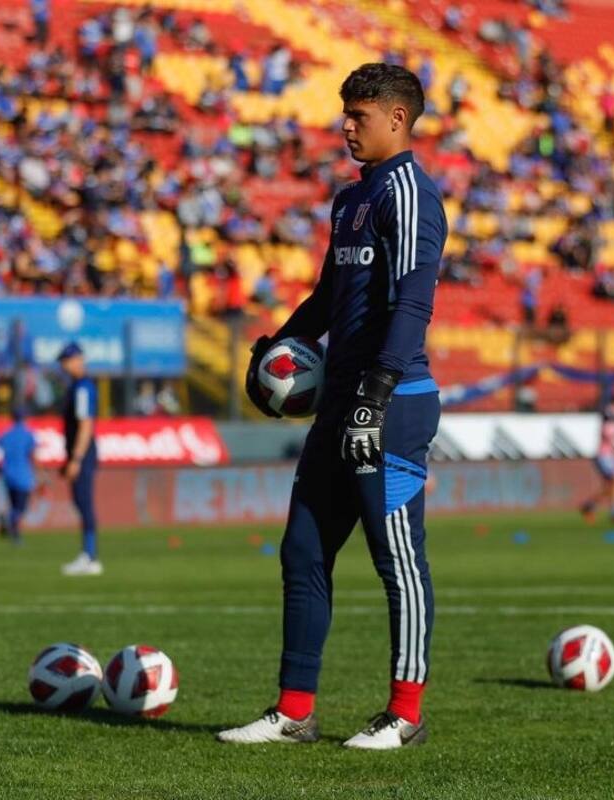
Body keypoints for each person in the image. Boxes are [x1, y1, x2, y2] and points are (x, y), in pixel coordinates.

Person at [218, 63, 446, 750]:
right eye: (345, 112)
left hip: (393, 404)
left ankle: (405, 714)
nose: (346, 125)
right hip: (339, 404)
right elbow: (327, 296)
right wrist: (281, 345)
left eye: (361, 114)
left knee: (395, 560)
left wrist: (377, 392)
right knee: (303, 551)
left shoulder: (409, 195)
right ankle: (294, 711)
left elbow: (412, 303)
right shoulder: (351, 200)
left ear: (398, 120)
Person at [57, 342, 102, 576]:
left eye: (67, 361)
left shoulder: (83, 388)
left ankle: (90, 556)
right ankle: (88, 554)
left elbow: (86, 424)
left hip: (82, 454)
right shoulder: (77, 386)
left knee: (84, 503)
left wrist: (76, 458)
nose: (64, 367)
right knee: (80, 502)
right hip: (78, 454)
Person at [0, 407, 36, 545]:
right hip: (23, 475)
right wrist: (41, 474)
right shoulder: (28, 434)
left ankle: (9, 521)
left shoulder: (5, 434)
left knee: (13, 504)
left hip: (8, 475)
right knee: (21, 507)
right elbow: (33, 455)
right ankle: (14, 530)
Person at [580, 399, 614, 524]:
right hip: (605, 456)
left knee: (611, 486)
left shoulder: (613, 423)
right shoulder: (608, 422)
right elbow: (606, 434)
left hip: (609, 456)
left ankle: (589, 506)